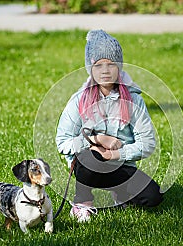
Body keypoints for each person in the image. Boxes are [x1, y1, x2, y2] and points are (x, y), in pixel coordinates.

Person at [56, 30, 163, 222]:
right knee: (91, 158)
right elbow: (62, 142)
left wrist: (115, 154)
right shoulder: (79, 100)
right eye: (98, 65)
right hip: (88, 167)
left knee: (153, 196)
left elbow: (147, 144)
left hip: (120, 167)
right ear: (90, 68)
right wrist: (95, 140)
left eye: (111, 64)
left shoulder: (134, 100)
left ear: (119, 67)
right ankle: (82, 201)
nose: (105, 70)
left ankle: (119, 194)